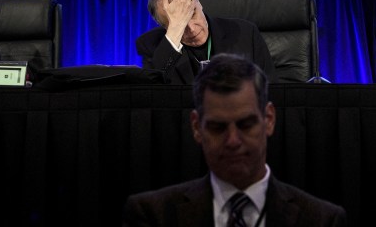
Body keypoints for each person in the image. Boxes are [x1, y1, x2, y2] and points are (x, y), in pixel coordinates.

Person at [122, 53, 348, 226]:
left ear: (268, 119)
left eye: (245, 124)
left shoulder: (322, 221)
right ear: (196, 127)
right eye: (218, 127)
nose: (232, 140)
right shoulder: (152, 216)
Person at [135, 0, 276, 85]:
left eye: (192, 13)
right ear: (165, 27)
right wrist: (174, 32)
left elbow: (270, 89)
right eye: (180, 22)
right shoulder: (150, 46)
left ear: (199, 4)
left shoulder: (245, 33)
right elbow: (153, 93)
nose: (192, 28)